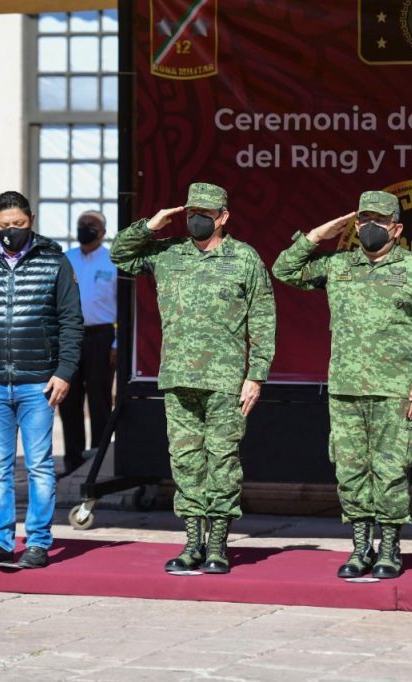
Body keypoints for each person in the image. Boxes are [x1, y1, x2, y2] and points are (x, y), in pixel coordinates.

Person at [272, 191, 412, 580]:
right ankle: (359, 549)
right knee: (350, 470)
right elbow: (284, 270)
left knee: (390, 471)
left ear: (397, 229)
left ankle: (388, 548)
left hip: (395, 389)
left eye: (379, 221)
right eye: (363, 220)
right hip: (346, 388)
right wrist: (319, 234)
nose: (370, 227)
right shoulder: (338, 265)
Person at [111, 182, 276, 574]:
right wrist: (150, 227)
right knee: (185, 461)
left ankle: (217, 543)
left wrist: (257, 375)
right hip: (179, 376)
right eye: (191, 212)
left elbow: (264, 319)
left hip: (226, 380)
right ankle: (191, 543)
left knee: (222, 460)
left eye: (205, 213)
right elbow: (119, 255)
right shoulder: (168, 254)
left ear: (223, 217)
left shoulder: (245, 259)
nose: (196, 220)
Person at [0, 191, 83, 570]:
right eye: (5, 226)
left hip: (38, 382)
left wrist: (64, 371)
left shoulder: (54, 262)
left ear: (32, 220)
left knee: (40, 464)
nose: (12, 231)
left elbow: (71, 321)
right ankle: (0, 541)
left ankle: (38, 542)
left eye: (19, 225)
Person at [59, 210, 118, 475]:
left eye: (91, 225)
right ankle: (72, 461)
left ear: (103, 231)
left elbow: (123, 308)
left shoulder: (112, 261)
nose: (85, 228)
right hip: (69, 336)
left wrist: (117, 344)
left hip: (102, 336)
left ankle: (98, 460)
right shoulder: (65, 259)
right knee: (68, 398)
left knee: (100, 398)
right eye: (82, 225)